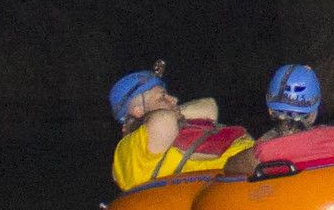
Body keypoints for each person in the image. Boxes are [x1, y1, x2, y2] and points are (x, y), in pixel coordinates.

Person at [106, 65, 250, 192]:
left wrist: (174, 113)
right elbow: (164, 120)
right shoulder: (134, 143)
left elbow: (209, 106)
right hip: (239, 179)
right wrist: (170, 114)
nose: (174, 99)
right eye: (162, 97)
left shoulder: (160, 129)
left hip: (247, 171)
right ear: (138, 111)